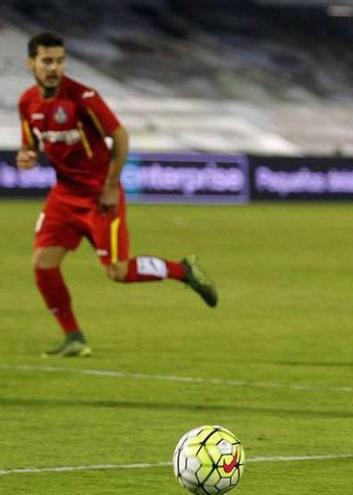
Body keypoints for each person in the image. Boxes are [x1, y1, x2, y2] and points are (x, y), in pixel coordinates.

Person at [17, 33, 218, 358]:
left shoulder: (82, 97)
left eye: (59, 60)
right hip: (64, 195)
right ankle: (74, 337)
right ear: (31, 63)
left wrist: (111, 185)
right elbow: (31, 143)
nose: (54, 68)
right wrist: (26, 156)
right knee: (43, 264)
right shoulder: (28, 102)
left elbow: (120, 137)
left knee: (118, 272)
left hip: (99, 196)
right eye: (47, 61)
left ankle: (183, 271)